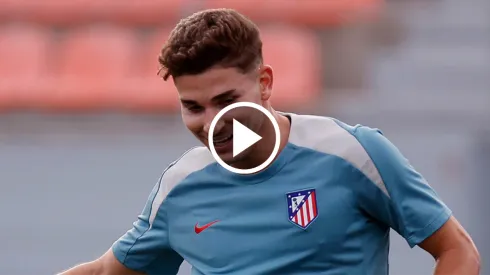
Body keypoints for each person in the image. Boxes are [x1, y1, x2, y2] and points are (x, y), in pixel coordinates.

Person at [58, 8, 480, 275]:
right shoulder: (180, 187)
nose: (214, 123)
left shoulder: (354, 153)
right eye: (194, 107)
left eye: (226, 100)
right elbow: (106, 272)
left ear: (264, 84)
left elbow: (457, 251)